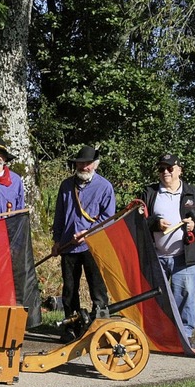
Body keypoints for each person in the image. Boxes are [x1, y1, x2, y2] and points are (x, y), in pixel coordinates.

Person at [141, 154, 195, 348]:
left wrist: (194, 227)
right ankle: (157, 335)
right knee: (155, 296)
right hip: (156, 256)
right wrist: (155, 224)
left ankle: (185, 334)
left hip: (184, 256)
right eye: (162, 168)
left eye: (170, 168)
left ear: (179, 170)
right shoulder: (150, 193)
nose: (165, 172)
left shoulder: (193, 194)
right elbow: (138, 220)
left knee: (185, 295)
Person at [51, 145, 114, 342]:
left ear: (95, 165)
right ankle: (71, 327)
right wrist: (57, 241)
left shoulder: (105, 187)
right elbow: (60, 215)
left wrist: (88, 232)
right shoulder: (66, 185)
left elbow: (108, 218)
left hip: (94, 246)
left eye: (87, 163)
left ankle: (101, 327)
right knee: (70, 289)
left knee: (98, 289)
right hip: (68, 246)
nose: (84, 167)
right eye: (80, 163)